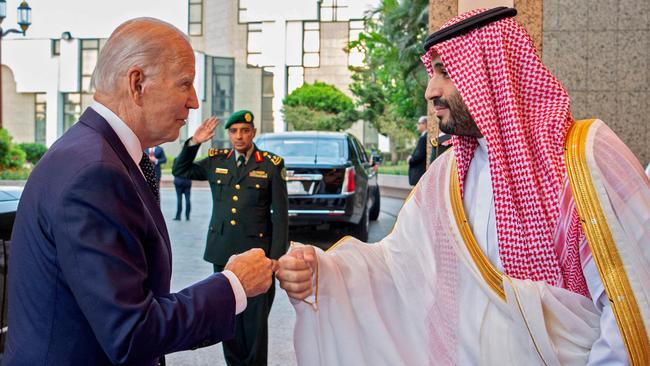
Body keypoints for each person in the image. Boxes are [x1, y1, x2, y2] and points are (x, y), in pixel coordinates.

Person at [276, 7, 650, 365]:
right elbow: (397, 265)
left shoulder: (586, 156)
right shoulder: (447, 176)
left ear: (492, 72)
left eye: (445, 72)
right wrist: (323, 273)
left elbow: (634, 305)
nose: (430, 91)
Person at [5, 18, 276, 366]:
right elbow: (132, 332)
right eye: (185, 83)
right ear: (137, 84)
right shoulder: (95, 172)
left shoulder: (94, 152)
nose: (194, 102)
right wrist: (233, 284)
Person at [172, 110, 289, 365]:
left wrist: (276, 258)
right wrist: (195, 142)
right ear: (228, 134)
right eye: (234, 131)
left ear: (253, 133)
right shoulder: (217, 161)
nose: (239, 136)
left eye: (245, 130)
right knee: (230, 317)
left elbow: (280, 216)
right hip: (223, 252)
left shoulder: (270, 164)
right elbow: (181, 170)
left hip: (258, 255)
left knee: (255, 325)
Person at [407, 116, 428, 185]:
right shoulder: (425, 136)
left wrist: (410, 160)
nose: (417, 125)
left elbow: (419, 156)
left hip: (419, 174)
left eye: (419, 123)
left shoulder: (424, 138)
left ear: (424, 124)